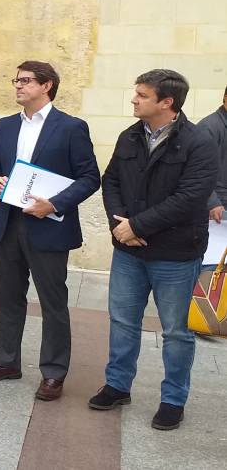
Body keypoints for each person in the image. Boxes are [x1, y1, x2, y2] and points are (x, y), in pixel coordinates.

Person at [90, 69, 219, 431]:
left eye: (142, 95)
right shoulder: (129, 136)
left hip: (176, 255)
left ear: (167, 102)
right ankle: (117, 385)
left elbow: (190, 198)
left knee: (177, 331)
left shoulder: (199, 142)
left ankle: (173, 399)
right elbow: (110, 180)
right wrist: (121, 227)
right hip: (129, 250)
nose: (133, 99)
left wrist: (138, 225)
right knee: (122, 321)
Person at [0, 61, 100, 402]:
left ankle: (54, 373)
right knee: (8, 299)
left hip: (48, 227)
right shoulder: (6, 125)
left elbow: (90, 178)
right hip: (9, 223)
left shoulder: (71, 127)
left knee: (53, 302)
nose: (18, 85)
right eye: (16, 80)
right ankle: (7, 362)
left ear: (47, 86)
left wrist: (55, 204)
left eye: (26, 80)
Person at [197, 84, 227, 227]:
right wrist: (212, 202)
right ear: (225, 98)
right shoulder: (208, 127)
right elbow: (197, 171)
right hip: (218, 208)